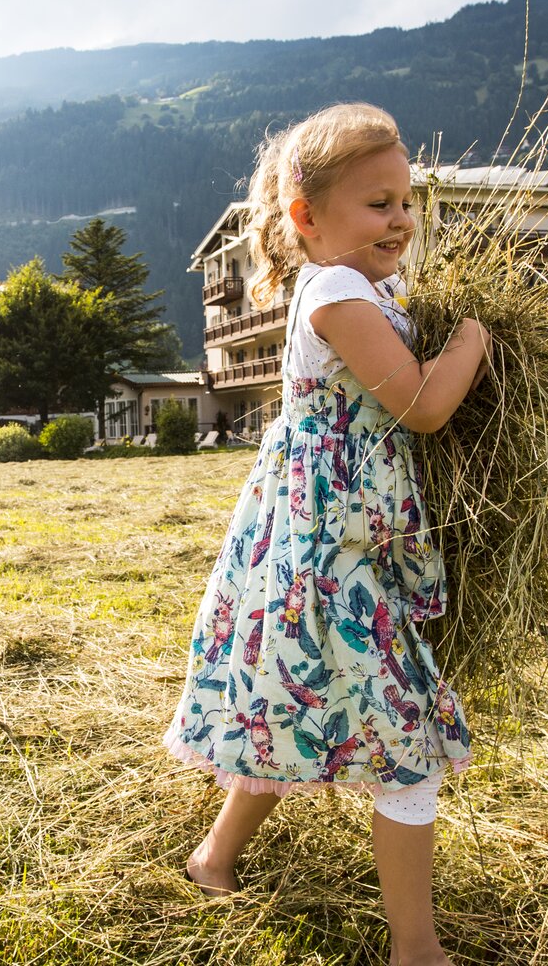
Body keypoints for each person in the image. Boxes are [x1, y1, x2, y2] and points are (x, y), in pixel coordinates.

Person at [163, 103, 491, 966]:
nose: (403, 220)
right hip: (330, 556)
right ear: (307, 218)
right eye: (379, 203)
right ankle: (416, 950)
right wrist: (473, 341)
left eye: (407, 201)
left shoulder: (361, 287)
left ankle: (213, 858)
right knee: (405, 743)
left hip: (336, 536)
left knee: (286, 706)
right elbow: (422, 405)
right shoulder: (340, 293)